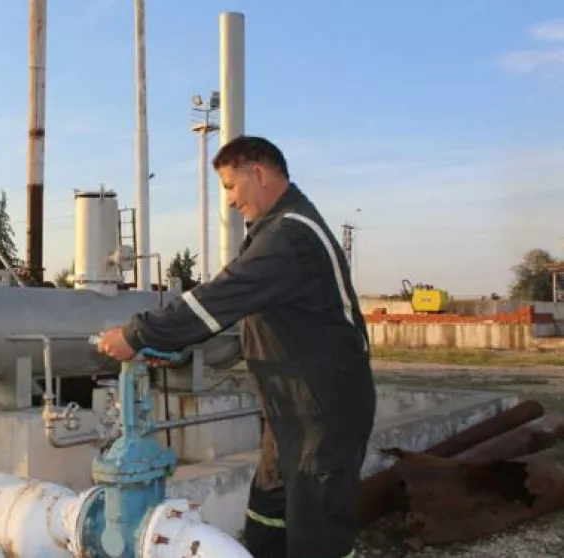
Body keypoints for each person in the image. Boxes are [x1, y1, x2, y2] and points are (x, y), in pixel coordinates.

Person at [96, 135, 376, 558]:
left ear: (258, 173)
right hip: (292, 411)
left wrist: (138, 334)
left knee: (317, 537)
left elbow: (219, 297)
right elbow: (243, 313)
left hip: (322, 417)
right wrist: (177, 346)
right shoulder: (280, 230)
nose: (228, 201)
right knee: (268, 517)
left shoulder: (291, 236)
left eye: (229, 185)